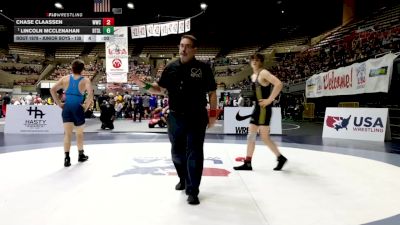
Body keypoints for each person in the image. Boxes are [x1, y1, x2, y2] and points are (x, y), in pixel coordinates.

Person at [132, 34, 217, 205]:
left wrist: (213, 114)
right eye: (181, 45)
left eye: (187, 46)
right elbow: (161, 90)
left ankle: (193, 190)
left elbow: (212, 93)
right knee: (177, 153)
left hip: (196, 116)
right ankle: (183, 178)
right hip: (175, 116)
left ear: (194, 49)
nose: (183, 49)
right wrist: (144, 85)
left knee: (195, 152)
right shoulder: (170, 67)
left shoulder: (203, 68)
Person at [233, 53, 287, 171]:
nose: (255, 62)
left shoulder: (263, 73)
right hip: (257, 109)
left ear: (261, 62)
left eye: (257, 60)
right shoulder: (253, 75)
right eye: (253, 59)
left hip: (264, 109)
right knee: (251, 135)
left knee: (264, 137)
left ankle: (280, 157)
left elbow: (279, 84)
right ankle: (248, 162)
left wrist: (270, 100)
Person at [50, 59, 93, 167]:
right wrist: (85, 107)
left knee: (67, 134)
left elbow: (52, 89)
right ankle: (81, 155)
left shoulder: (65, 79)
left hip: (67, 108)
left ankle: (67, 158)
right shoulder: (86, 80)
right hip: (78, 108)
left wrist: (59, 103)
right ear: (82, 69)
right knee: (79, 134)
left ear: (71, 68)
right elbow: (90, 95)